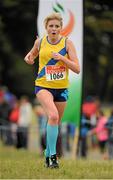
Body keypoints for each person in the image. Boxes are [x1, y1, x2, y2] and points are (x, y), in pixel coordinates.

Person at [24, 12, 80, 168]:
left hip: (61, 88)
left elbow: (77, 68)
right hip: (43, 86)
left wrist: (62, 58)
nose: (54, 29)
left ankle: (47, 154)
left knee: (55, 121)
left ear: (61, 28)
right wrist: (28, 58)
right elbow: (30, 57)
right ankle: (53, 158)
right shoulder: (40, 42)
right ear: (46, 27)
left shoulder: (67, 44)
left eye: (57, 26)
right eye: (51, 26)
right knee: (53, 116)